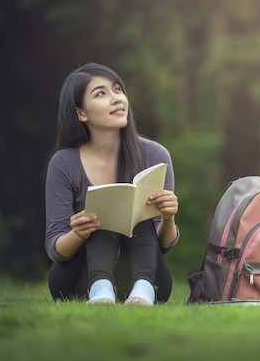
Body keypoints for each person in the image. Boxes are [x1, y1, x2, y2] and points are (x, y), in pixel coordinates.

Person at [44, 62, 179, 306]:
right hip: (79, 277)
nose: (116, 99)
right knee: (102, 215)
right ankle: (101, 291)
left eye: (118, 90)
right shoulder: (63, 163)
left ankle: (143, 293)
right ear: (81, 113)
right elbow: (56, 249)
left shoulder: (155, 155)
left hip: (141, 272)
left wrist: (168, 218)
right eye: (101, 93)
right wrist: (78, 233)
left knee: (140, 221)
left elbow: (164, 245)